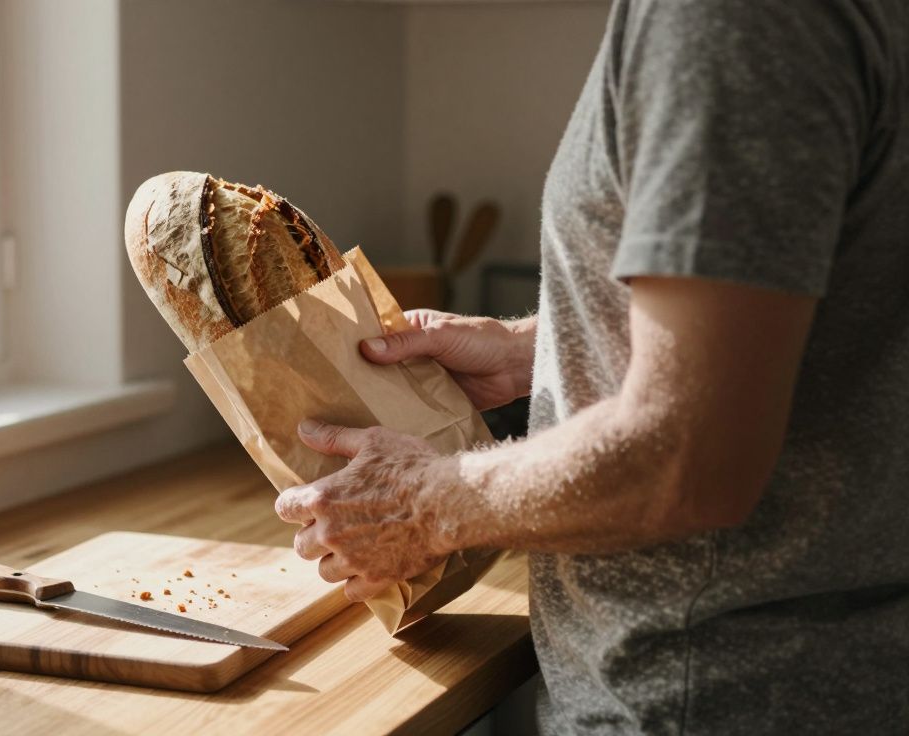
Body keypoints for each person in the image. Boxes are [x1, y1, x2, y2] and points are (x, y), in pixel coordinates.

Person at [274, 1, 909, 732]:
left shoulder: (730, 18)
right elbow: (811, 326)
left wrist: (423, 503)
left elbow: (692, 457)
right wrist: (534, 354)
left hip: (711, 696)